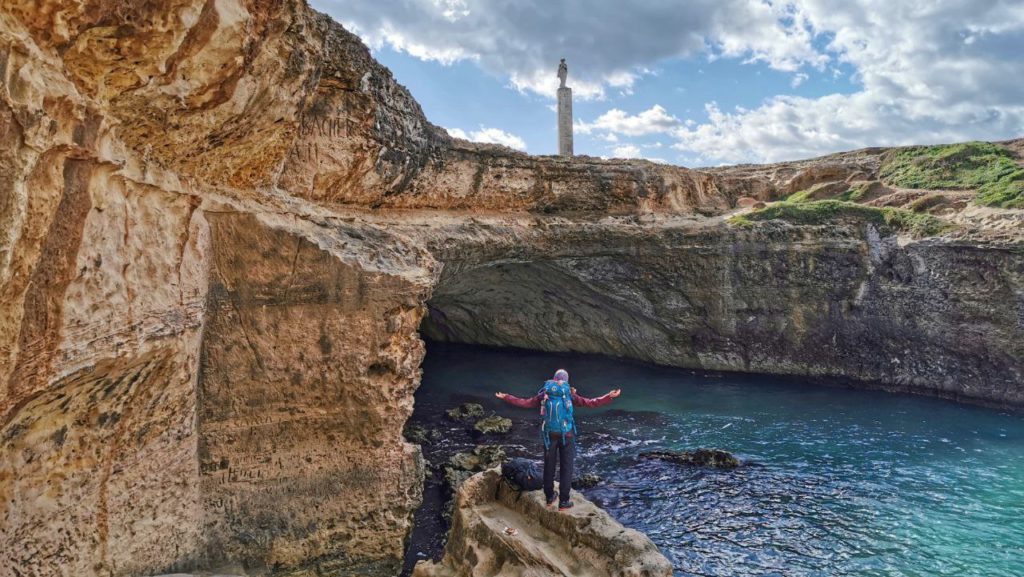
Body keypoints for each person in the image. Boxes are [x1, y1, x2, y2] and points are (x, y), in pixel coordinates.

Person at [496, 369, 620, 511]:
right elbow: (591, 403)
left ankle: (549, 497)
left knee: (549, 465)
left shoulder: (545, 394)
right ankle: (564, 502)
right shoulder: (569, 394)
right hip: (566, 435)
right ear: (566, 381)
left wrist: (506, 397)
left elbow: (525, 403)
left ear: (554, 379)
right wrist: (609, 396)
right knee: (566, 468)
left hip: (549, 434)